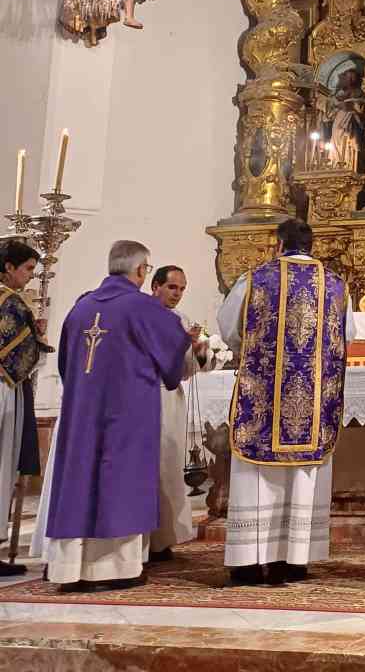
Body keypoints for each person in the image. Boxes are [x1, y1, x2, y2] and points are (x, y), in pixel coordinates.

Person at [45, 240, 191, 592]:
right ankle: (117, 568)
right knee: (120, 482)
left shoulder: (80, 309)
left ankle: (70, 568)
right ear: (141, 271)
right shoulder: (142, 307)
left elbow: (67, 365)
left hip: (82, 414)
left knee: (81, 480)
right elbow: (174, 354)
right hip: (127, 416)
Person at [217, 218, 352, 585]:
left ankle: (247, 561)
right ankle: (292, 560)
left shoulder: (254, 279)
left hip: (262, 396)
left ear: (278, 244)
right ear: (312, 246)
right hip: (310, 404)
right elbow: (347, 336)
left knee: (257, 475)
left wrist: (250, 350)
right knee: (301, 478)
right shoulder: (335, 285)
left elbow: (230, 328)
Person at [150, 265, 208, 561]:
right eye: (172, 287)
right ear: (155, 286)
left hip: (171, 398)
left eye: (182, 289)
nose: (177, 294)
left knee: (169, 467)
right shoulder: (143, 316)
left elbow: (187, 369)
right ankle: (145, 537)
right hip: (147, 393)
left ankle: (165, 538)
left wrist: (198, 350)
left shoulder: (182, 321)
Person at [0, 241, 51, 576]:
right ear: (8, 267)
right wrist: (39, 337)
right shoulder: (12, 303)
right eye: (28, 269)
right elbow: (22, 355)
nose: (30, 277)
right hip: (4, 390)